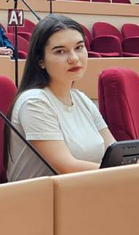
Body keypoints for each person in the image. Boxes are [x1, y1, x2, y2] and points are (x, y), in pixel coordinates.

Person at [7, 15, 113, 182]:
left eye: (79, 47)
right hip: (42, 196)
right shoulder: (34, 102)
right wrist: (127, 169)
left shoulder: (81, 99)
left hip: (87, 188)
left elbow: (113, 151)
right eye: (60, 51)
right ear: (40, 61)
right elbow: (66, 167)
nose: (74, 58)